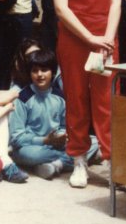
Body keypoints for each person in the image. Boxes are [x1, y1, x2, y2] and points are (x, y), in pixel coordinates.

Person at [51, 0, 121, 188]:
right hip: (75, 40)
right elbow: (60, 8)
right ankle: (78, 160)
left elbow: (116, 2)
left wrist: (106, 38)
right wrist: (89, 38)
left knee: (108, 100)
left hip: (106, 38)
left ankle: (113, 161)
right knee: (77, 98)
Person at [9, 49, 96, 180]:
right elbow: (16, 137)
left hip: (56, 144)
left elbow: (64, 125)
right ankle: (65, 161)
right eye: (35, 70)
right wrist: (44, 140)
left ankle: (55, 165)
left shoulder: (60, 96)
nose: (40, 74)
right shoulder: (22, 98)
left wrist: (61, 137)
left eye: (44, 70)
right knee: (28, 155)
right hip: (32, 147)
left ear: (53, 72)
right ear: (30, 73)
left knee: (93, 142)